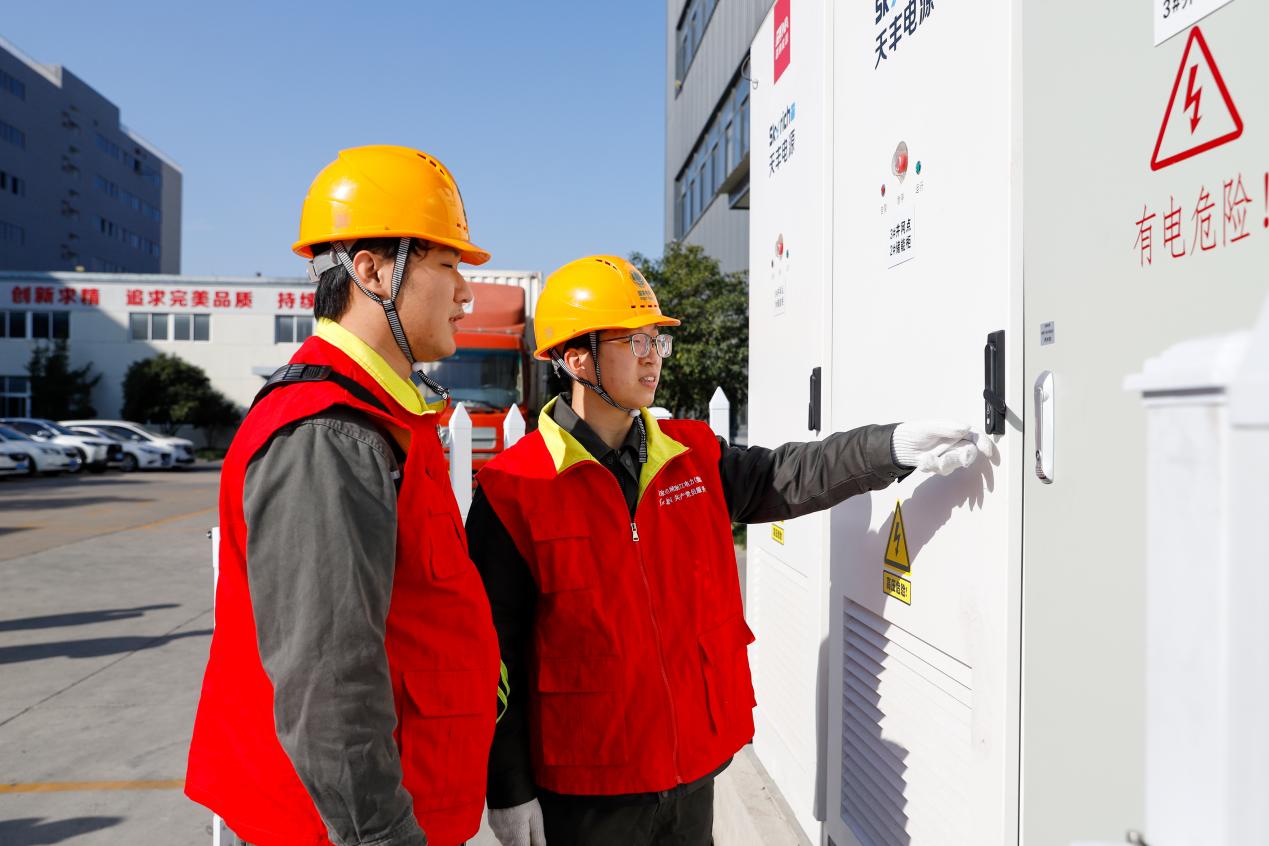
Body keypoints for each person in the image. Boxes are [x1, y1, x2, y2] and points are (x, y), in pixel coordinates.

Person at [467, 254, 994, 846]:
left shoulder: (692, 455)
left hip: (692, 774)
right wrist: (508, 786)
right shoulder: (515, 490)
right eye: (633, 340)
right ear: (575, 358)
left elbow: (791, 473)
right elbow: (493, 652)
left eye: (657, 340)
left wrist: (890, 447)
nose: (652, 356)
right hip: (588, 791)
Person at [186, 145, 503, 846]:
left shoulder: (382, 417)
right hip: (343, 830)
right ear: (372, 270)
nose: (465, 293)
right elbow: (328, 683)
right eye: (447, 264)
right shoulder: (329, 434)